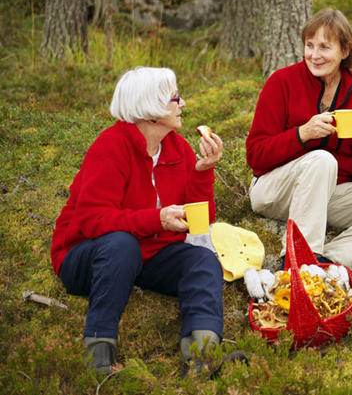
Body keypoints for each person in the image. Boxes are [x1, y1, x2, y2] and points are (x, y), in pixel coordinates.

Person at [50, 67, 232, 377]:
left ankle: (201, 358)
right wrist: (157, 219)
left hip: (149, 255)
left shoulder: (178, 148)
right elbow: (92, 220)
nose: (183, 104)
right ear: (151, 110)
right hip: (85, 256)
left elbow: (200, 222)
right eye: (175, 99)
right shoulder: (111, 147)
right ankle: (99, 358)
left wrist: (203, 171)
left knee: (202, 260)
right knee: (122, 245)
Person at [246, 8, 352, 270]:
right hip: (274, 191)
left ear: (345, 50)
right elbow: (256, 157)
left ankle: (330, 261)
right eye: (309, 45)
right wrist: (302, 134)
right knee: (322, 160)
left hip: (329, 196)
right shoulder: (281, 82)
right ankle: (297, 263)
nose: (314, 55)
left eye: (325, 47)